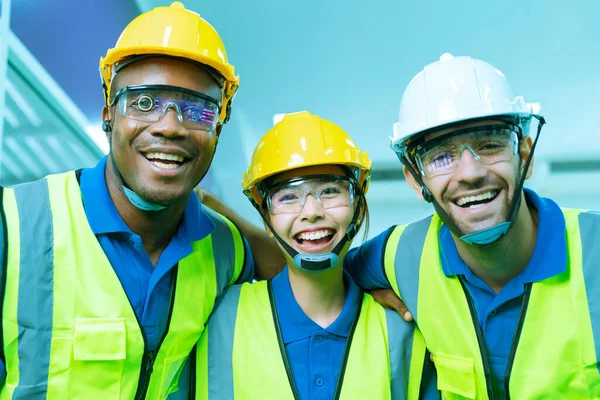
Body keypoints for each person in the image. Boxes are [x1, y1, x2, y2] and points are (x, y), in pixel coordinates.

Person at [0, 2, 281, 398]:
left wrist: (379, 274)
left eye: (198, 109)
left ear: (219, 127)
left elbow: (304, 275)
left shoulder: (223, 249)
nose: (169, 126)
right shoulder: (14, 226)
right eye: (144, 102)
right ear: (108, 114)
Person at [344, 54, 600, 398]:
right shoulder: (402, 256)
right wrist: (358, 296)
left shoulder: (594, 251)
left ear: (525, 153)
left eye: (490, 145)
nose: (470, 172)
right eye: (441, 156)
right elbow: (319, 276)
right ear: (414, 178)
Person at [194, 111, 439, 399]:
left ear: (358, 208)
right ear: (266, 220)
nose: (311, 212)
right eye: (288, 196)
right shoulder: (218, 316)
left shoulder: (403, 325)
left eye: (331, 191)